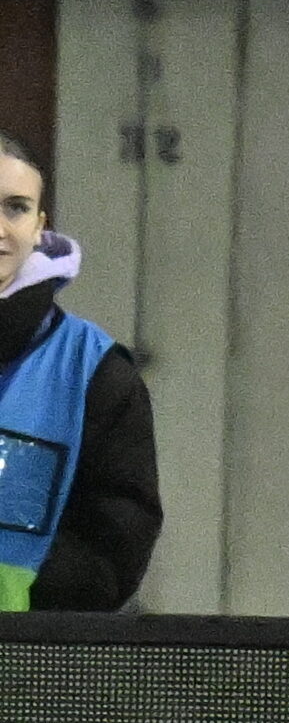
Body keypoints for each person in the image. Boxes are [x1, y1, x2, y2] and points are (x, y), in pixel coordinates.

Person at [0, 135, 159, 612]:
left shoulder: (96, 370)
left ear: (39, 226)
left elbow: (117, 546)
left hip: (33, 668)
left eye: (16, 208)